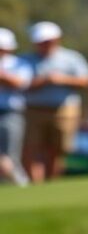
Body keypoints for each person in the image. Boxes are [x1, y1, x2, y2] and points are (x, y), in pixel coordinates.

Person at [22, 21, 88, 182]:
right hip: (32, 109)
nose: (44, 45)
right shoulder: (25, 59)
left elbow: (87, 81)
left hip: (64, 109)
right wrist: (43, 81)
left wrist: (62, 79)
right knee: (31, 148)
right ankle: (34, 184)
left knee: (58, 151)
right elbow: (20, 84)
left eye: (47, 41)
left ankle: (52, 182)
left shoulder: (72, 58)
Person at [0, 27, 32, 186]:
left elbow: (19, 83)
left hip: (10, 113)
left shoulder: (20, 63)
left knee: (9, 157)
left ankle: (21, 186)